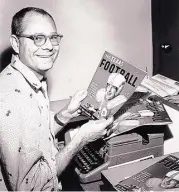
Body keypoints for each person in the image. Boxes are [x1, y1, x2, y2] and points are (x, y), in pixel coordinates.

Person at [0, 7, 114, 191]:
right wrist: (81, 139)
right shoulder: (12, 99)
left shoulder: (29, 79)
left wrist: (66, 114)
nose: (49, 46)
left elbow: (37, 137)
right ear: (15, 43)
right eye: (38, 38)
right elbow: (32, 187)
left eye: (53, 37)